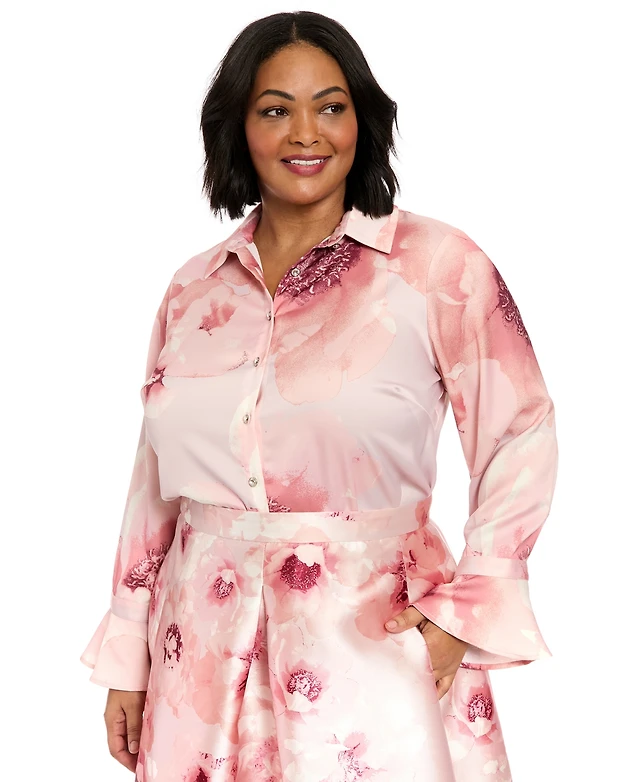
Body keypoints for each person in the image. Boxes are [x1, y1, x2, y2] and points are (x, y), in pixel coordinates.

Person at [80, 10, 558, 782]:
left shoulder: (438, 267)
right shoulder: (194, 289)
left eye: (330, 107)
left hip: (371, 648)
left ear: (361, 121)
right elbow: (155, 481)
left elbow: (520, 431)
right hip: (200, 656)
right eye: (275, 110)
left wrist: (467, 609)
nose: (306, 133)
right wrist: (129, 651)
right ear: (238, 128)